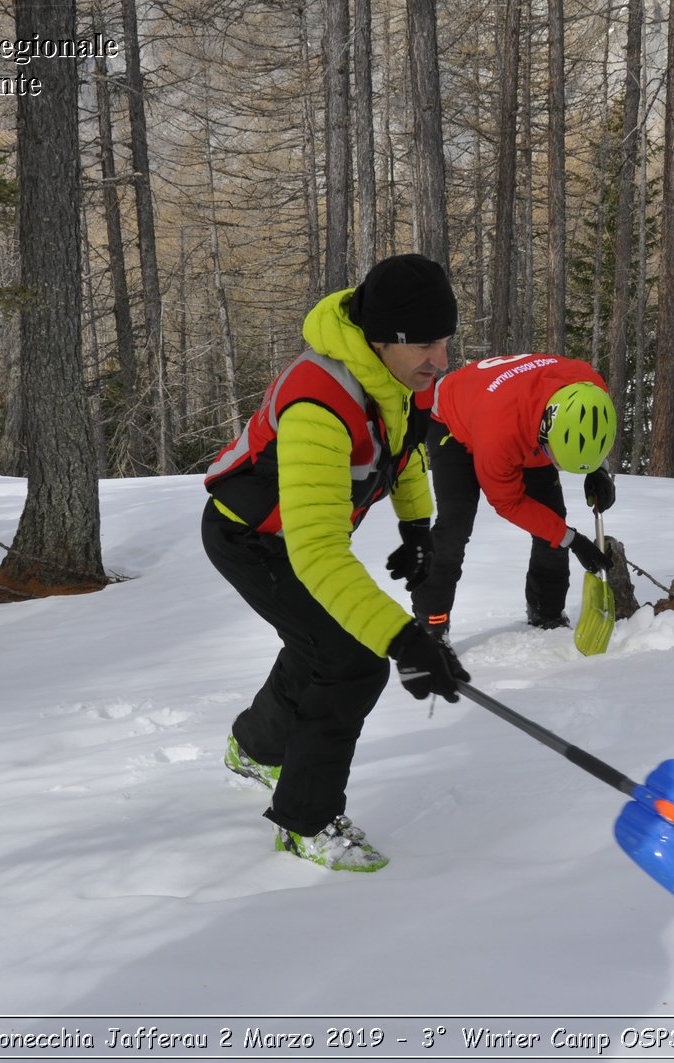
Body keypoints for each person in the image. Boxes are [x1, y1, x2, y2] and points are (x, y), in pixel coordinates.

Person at [200, 253, 469, 872]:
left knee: (317, 648)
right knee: (351, 660)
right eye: (426, 343)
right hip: (250, 539)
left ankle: (253, 748)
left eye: (446, 340)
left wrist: (415, 524)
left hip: (295, 537)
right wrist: (403, 639)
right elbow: (317, 550)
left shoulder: (400, 379)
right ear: (380, 339)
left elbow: (404, 452)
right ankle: (306, 820)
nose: (441, 359)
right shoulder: (317, 402)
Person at [410, 353, 617, 643]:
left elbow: (592, 429)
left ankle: (548, 614)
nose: (556, 466)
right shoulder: (499, 431)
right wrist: (574, 540)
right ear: (546, 431)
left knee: (552, 520)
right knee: (455, 524)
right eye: (556, 459)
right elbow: (509, 503)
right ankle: (430, 625)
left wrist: (599, 469)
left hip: (516, 412)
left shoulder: (590, 389)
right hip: (452, 420)